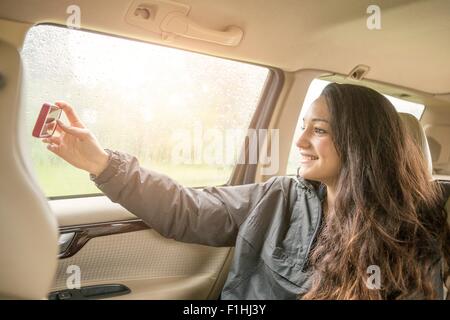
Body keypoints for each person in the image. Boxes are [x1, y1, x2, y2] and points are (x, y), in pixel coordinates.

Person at [43, 83, 449, 299]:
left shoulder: (412, 233)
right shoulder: (279, 196)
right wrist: (101, 164)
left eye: (319, 130)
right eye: (304, 125)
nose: (300, 140)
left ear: (360, 142)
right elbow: (188, 210)